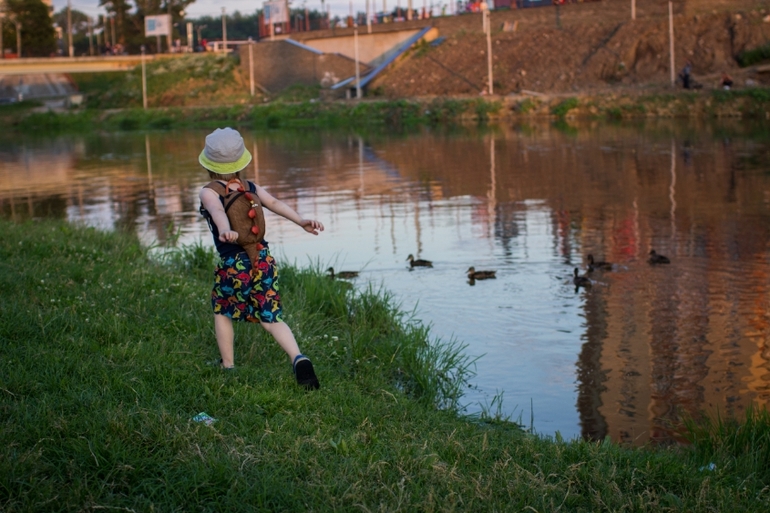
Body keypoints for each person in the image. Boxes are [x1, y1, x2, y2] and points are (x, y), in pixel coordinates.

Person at [198, 128, 323, 389]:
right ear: (241, 160)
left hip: (235, 264)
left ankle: (228, 365)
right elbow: (275, 203)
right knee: (271, 317)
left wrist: (225, 230)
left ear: (209, 164)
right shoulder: (251, 187)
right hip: (263, 260)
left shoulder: (209, 191)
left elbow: (216, 210)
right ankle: (298, 358)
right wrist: (301, 221)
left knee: (222, 310)